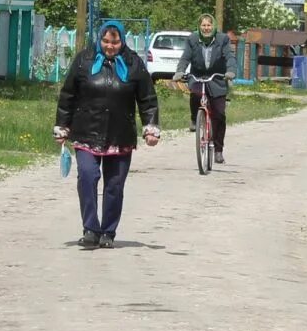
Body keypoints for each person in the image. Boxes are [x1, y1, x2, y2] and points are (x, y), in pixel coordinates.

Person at [55, 21, 160, 249]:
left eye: (115, 41)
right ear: (99, 39)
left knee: (114, 185)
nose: (110, 46)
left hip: (120, 135)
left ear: (122, 41)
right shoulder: (84, 61)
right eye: (105, 41)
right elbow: (68, 96)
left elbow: (147, 99)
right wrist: (63, 126)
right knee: (87, 175)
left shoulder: (134, 64)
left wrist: (151, 128)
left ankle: (108, 232)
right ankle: (91, 229)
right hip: (86, 132)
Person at [176, 13, 232, 162]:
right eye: (203, 25)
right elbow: (185, 58)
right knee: (195, 94)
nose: (206, 28)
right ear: (199, 27)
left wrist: (230, 71)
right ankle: (195, 119)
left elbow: (229, 57)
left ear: (213, 26)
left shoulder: (223, 39)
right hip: (198, 77)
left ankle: (218, 150)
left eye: (209, 25)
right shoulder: (192, 39)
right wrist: (180, 71)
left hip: (217, 78)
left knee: (219, 115)